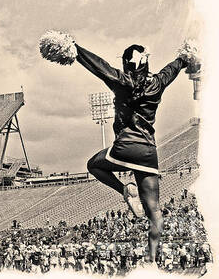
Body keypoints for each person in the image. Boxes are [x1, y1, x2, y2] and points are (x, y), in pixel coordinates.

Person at [73, 43, 192, 264]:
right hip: (148, 153)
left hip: (125, 147)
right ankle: (152, 260)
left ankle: (125, 189)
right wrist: (186, 59)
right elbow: (173, 67)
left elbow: (99, 66)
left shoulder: (121, 81)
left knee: (93, 165)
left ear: (126, 64)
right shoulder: (157, 83)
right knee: (154, 211)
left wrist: (74, 49)